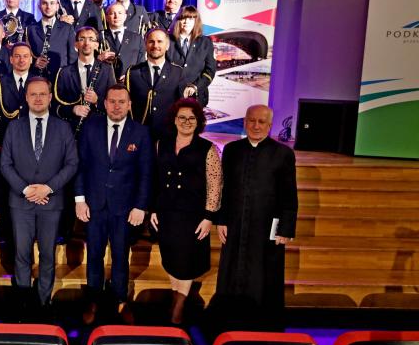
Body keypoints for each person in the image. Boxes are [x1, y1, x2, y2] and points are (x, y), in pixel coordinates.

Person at [0, 77, 78, 311]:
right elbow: (5, 164)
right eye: (33, 94)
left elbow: (72, 163)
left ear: (50, 97)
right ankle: (23, 301)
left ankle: (43, 302)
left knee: (47, 255)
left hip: (51, 203)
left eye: (42, 94)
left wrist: (48, 188)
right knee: (22, 254)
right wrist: (25, 190)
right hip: (20, 202)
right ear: (26, 97)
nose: (37, 98)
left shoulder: (63, 127)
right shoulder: (14, 127)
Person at [215, 105, 298, 320]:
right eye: (251, 121)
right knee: (232, 269)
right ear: (244, 122)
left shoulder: (283, 154)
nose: (256, 126)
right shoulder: (232, 150)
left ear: (270, 126)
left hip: (267, 225)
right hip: (235, 222)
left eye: (261, 122)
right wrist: (221, 219)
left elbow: (289, 193)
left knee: (264, 272)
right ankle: (229, 319)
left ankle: (262, 321)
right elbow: (225, 188)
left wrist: (285, 228)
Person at [75, 84, 152, 313]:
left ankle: (120, 300)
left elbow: (146, 173)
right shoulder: (90, 127)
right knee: (94, 254)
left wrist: (140, 206)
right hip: (94, 205)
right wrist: (79, 199)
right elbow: (80, 165)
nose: (117, 106)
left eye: (121, 102)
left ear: (129, 105)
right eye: (112, 101)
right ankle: (93, 299)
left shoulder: (141, 132)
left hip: (125, 208)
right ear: (105, 103)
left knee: (120, 255)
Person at [151, 98, 222, 324]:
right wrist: (153, 208)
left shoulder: (208, 148)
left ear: (198, 122)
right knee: (171, 258)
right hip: (166, 213)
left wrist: (209, 217)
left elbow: (215, 185)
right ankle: (176, 297)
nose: (186, 121)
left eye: (192, 118)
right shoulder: (161, 144)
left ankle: (178, 308)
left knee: (186, 261)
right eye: (182, 117)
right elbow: (154, 179)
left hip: (193, 215)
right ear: (174, 120)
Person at [126, 29, 186, 142]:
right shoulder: (133, 72)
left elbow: (183, 108)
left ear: (167, 46)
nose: (155, 45)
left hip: (168, 137)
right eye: (151, 41)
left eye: (160, 41)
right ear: (145, 44)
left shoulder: (178, 72)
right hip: (140, 137)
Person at [53, 26, 116, 130]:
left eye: (91, 39)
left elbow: (115, 102)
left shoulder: (107, 70)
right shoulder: (64, 72)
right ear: (76, 44)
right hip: (72, 130)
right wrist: (73, 109)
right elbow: (55, 106)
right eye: (82, 39)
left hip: (99, 129)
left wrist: (97, 101)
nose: (86, 43)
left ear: (96, 45)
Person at [0, 42, 34, 146]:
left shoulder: (39, 83)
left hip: (32, 140)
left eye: (25, 56)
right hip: (6, 140)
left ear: (31, 59)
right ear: (11, 59)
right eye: (17, 56)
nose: (21, 60)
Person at [167, 5, 216, 107]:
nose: (186, 22)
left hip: (196, 97)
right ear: (178, 21)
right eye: (183, 18)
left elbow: (210, 70)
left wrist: (195, 86)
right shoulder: (168, 40)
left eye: (190, 19)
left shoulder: (205, 42)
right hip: (171, 97)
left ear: (196, 21)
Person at [27, 0, 76, 78]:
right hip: (38, 80)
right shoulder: (30, 30)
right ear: (39, 6)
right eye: (44, 3)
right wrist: (34, 62)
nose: (48, 7)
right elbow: (25, 56)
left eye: (52, 3)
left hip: (61, 81)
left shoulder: (67, 29)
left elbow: (73, 59)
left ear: (57, 6)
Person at [103, 2, 146, 81]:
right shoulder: (100, 37)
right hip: (106, 81)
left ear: (125, 16)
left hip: (131, 82)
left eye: (120, 13)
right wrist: (99, 58)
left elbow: (142, 64)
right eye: (112, 13)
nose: (116, 16)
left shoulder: (137, 38)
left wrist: (130, 76)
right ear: (106, 17)